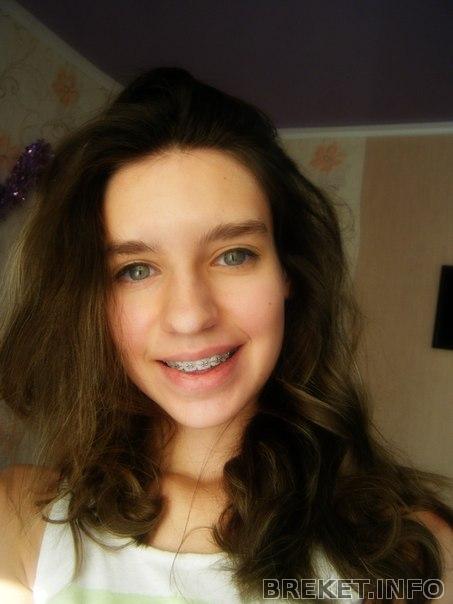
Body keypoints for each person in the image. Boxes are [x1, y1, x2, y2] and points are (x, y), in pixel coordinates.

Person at [0, 67, 452, 604]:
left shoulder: (409, 552)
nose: (191, 315)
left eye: (233, 255)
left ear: (288, 272)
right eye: (136, 269)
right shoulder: (18, 519)